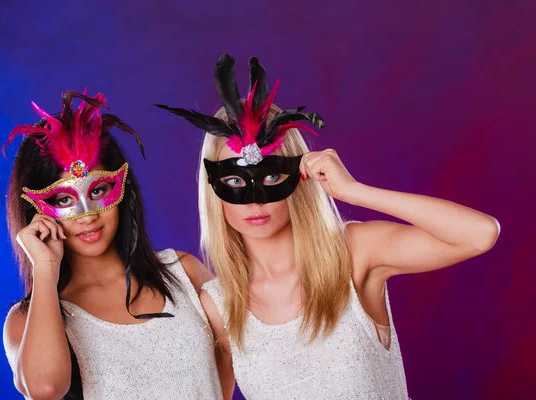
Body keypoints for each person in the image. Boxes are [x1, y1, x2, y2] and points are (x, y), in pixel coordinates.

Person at [157, 55, 500, 399]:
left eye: (273, 175)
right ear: (213, 191)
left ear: (298, 175)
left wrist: (353, 191)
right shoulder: (219, 306)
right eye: (233, 181)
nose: (255, 201)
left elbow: (479, 234)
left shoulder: (354, 253)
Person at [2, 91, 222, 399]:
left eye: (98, 191)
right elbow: (45, 388)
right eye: (64, 200)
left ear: (122, 189)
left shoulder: (184, 274)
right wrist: (45, 268)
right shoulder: (27, 320)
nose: (87, 216)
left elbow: (237, 352)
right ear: (36, 212)